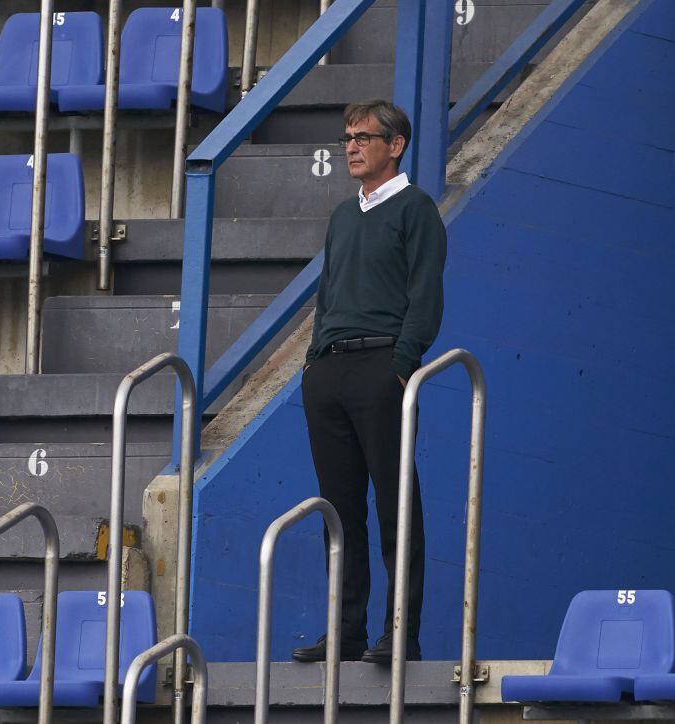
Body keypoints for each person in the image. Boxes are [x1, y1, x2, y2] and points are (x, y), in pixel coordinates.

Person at [293, 100, 447, 665]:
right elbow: (328, 294)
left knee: (394, 505)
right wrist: (312, 360)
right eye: (347, 137)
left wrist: (401, 364)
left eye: (363, 137)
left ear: (395, 144)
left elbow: (425, 297)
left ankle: (400, 633)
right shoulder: (341, 216)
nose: (351, 146)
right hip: (329, 370)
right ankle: (347, 631)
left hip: (383, 367)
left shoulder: (416, 210)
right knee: (339, 508)